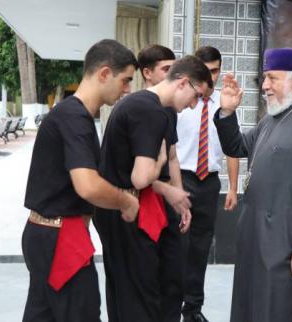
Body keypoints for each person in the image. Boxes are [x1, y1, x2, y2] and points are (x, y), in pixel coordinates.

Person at [214, 48, 292, 322]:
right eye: (265, 78)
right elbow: (237, 146)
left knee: (281, 311)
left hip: (287, 245)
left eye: (272, 78)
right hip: (256, 239)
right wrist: (227, 112)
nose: (265, 86)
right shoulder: (271, 120)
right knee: (251, 309)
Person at [22, 39, 140, 322]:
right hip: (61, 237)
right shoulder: (75, 117)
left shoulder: (72, 115)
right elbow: (86, 185)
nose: (127, 89)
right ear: (103, 74)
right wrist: (126, 201)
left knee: (42, 316)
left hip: (47, 234)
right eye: (125, 80)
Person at [94, 55, 213, 322]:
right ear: (183, 83)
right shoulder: (150, 110)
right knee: (136, 297)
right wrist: (165, 178)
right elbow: (141, 177)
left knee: (136, 291)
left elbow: (164, 162)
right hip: (125, 209)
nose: (194, 105)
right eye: (197, 96)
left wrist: (173, 194)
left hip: (126, 207)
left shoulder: (146, 106)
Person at [177, 46, 240, 322]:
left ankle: (192, 309)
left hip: (209, 183)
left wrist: (234, 188)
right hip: (181, 179)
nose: (210, 76)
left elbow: (232, 149)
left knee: (201, 248)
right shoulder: (182, 103)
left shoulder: (224, 105)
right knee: (178, 246)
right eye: (205, 70)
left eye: (215, 70)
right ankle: (169, 303)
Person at [137, 44, 192, 322]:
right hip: (141, 203)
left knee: (174, 277)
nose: (172, 75)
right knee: (148, 279)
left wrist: (180, 199)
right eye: (166, 69)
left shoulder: (168, 111)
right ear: (147, 73)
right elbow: (141, 175)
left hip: (165, 200)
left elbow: (172, 157)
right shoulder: (140, 109)